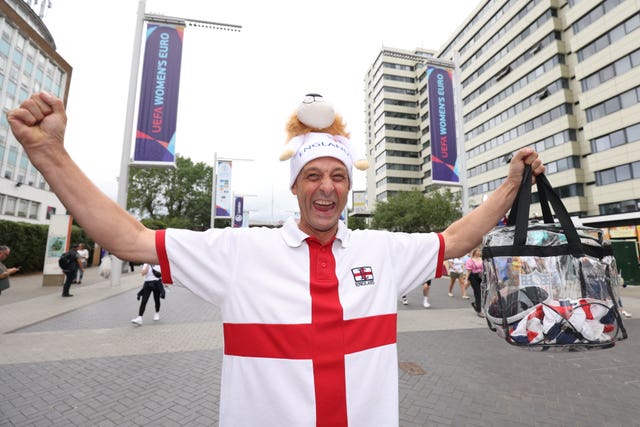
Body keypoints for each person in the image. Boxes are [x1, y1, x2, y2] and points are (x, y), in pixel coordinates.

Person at [8, 91, 545, 426]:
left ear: (349, 188)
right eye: (313, 176)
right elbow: (131, 240)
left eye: (338, 176)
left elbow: (454, 240)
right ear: (295, 187)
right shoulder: (241, 250)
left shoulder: (381, 250)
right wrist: (48, 153)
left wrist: (510, 185)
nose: (327, 187)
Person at [465, 247, 484, 317]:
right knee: (477, 293)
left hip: (481, 276)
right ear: (475, 252)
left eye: (480, 251)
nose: (480, 252)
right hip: (473, 277)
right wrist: (466, 279)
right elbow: (468, 271)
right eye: (478, 251)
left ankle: (476, 304)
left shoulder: (482, 259)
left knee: (482, 293)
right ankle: (479, 311)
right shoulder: (470, 260)